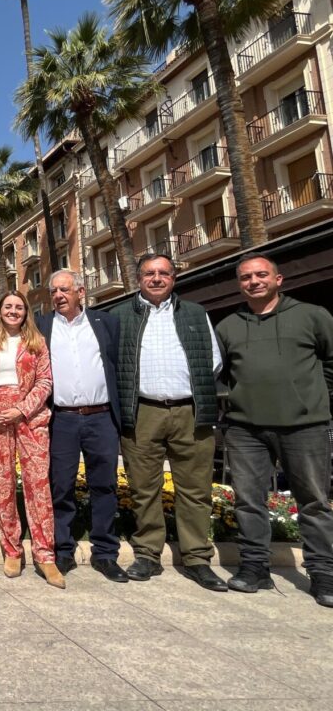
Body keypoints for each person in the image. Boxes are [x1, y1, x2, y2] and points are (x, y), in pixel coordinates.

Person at [216, 253, 333, 608]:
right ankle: (254, 568)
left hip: (304, 426)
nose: (254, 281)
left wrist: (312, 397)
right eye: (247, 277)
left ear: (278, 279)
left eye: (261, 275)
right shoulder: (228, 326)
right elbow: (222, 374)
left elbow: (330, 362)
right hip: (246, 428)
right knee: (249, 501)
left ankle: (324, 573)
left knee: (314, 501)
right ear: (240, 284)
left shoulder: (312, 316)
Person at [116, 253, 226, 591]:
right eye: (150, 273)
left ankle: (196, 558)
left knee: (195, 489)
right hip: (142, 410)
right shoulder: (119, 316)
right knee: (143, 486)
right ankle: (148, 554)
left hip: (189, 412)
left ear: (174, 278)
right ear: (139, 279)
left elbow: (215, 360)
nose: (157, 278)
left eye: (164, 273)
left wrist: (189, 391)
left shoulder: (195, 313)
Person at [36, 270, 128, 583]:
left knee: (104, 485)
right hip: (61, 418)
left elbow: (118, 366)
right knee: (60, 486)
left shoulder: (106, 323)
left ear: (81, 291)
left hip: (101, 417)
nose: (59, 296)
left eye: (64, 290)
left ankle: (105, 553)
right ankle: (62, 549)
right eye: (54, 292)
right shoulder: (41, 327)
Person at [0, 291, 63, 589]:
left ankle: (45, 555)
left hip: (30, 417)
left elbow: (45, 381)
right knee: (2, 484)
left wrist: (22, 408)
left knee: (38, 485)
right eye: (8, 306)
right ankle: (12, 550)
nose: (13, 311)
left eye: (19, 307)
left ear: (26, 312)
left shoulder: (37, 343)